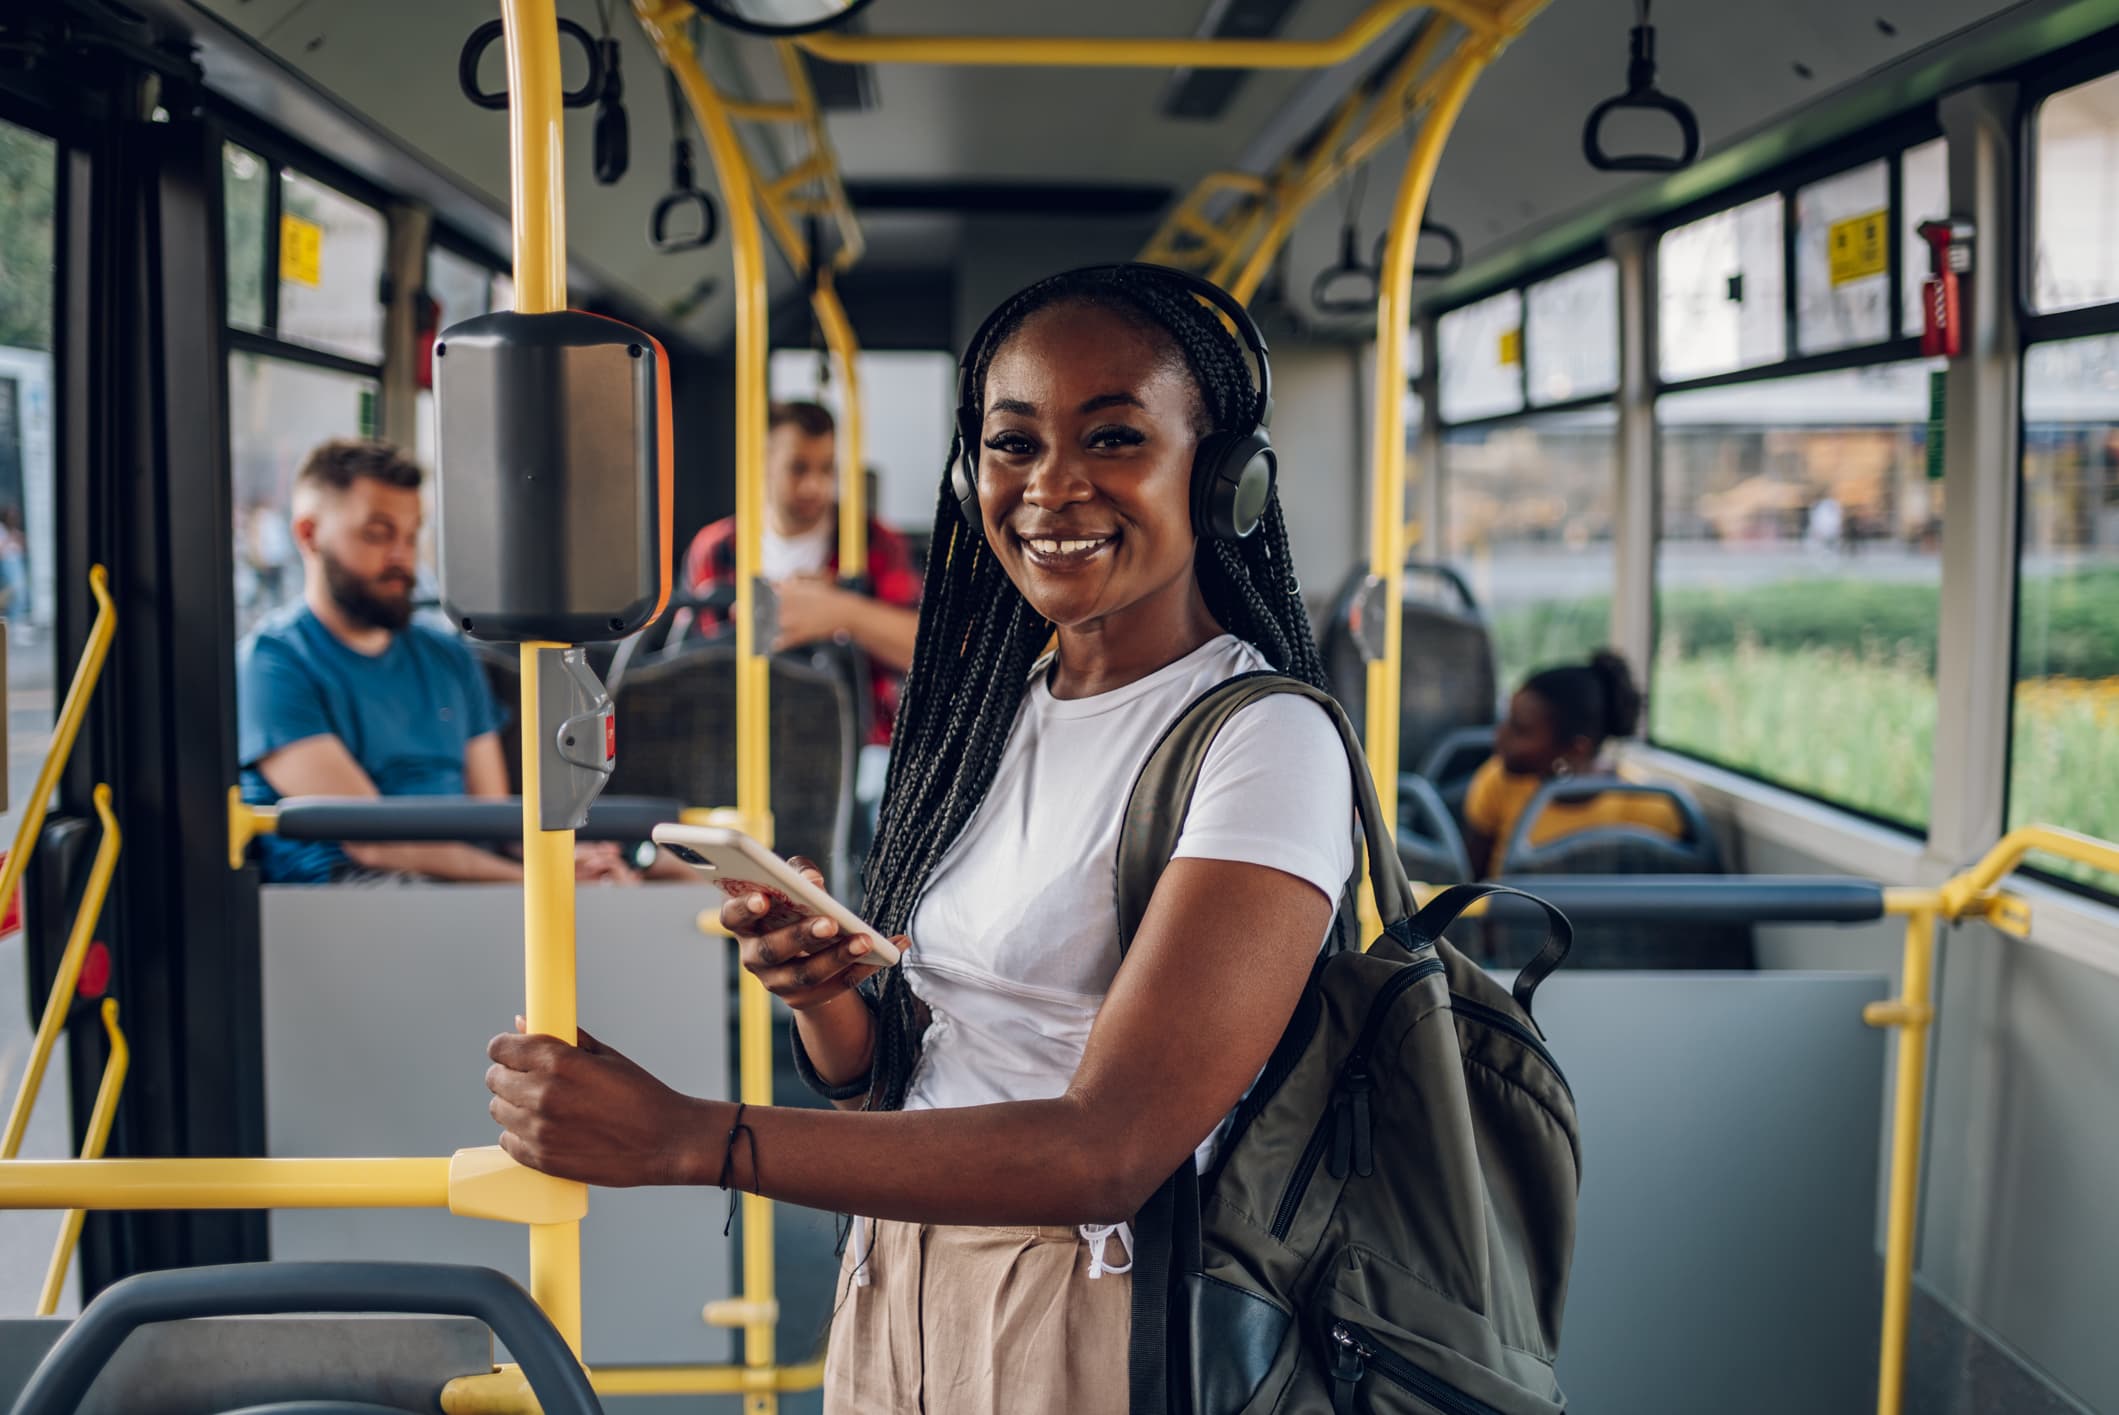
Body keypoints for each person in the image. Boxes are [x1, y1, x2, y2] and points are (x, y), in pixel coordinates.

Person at [483, 265, 1355, 1413]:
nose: (1050, 488)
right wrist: (825, 995)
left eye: (1113, 437)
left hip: (1090, 1312)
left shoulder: (1267, 742)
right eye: (1012, 444)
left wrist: (696, 1138)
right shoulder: (989, 709)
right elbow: (908, 1079)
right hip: (895, 1269)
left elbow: (1109, 1149)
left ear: (1223, 478)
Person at [238, 438, 639, 886]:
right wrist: (534, 883)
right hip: (355, 887)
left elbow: (494, 818)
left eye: (411, 536)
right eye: (377, 533)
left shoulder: (447, 655)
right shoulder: (272, 665)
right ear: (308, 535)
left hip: (468, 875)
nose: (401, 558)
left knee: (647, 872)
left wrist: (574, 861)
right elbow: (371, 841)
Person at [680, 400, 922, 745]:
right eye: (798, 468)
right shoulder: (716, 547)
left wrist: (839, 611)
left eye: (826, 470)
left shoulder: (873, 543)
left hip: (857, 736)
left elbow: (922, 650)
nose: (816, 486)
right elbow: (689, 658)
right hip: (737, 735)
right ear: (762, 464)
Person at [1462, 649, 1683, 876]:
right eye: (1507, 720)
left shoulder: (1647, 804)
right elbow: (1471, 880)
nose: (1499, 737)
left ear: (1576, 748)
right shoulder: (1496, 781)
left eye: (1520, 730)